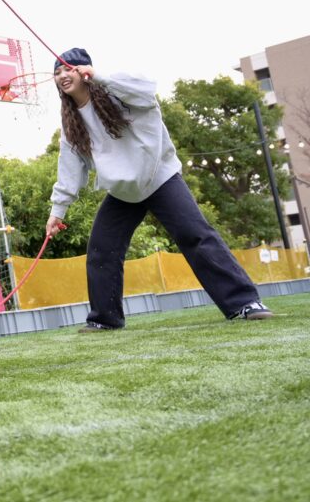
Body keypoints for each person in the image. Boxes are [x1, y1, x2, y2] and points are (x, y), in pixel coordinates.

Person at [45, 48, 273, 331]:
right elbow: (69, 170)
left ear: (85, 71)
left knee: (196, 236)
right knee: (102, 250)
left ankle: (245, 303)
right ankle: (105, 319)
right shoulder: (71, 124)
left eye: (68, 68)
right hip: (123, 192)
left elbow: (147, 90)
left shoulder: (119, 93)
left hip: (159, 178)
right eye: (57, 72)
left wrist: (100, 77)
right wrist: (57, 212)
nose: (63, 76)